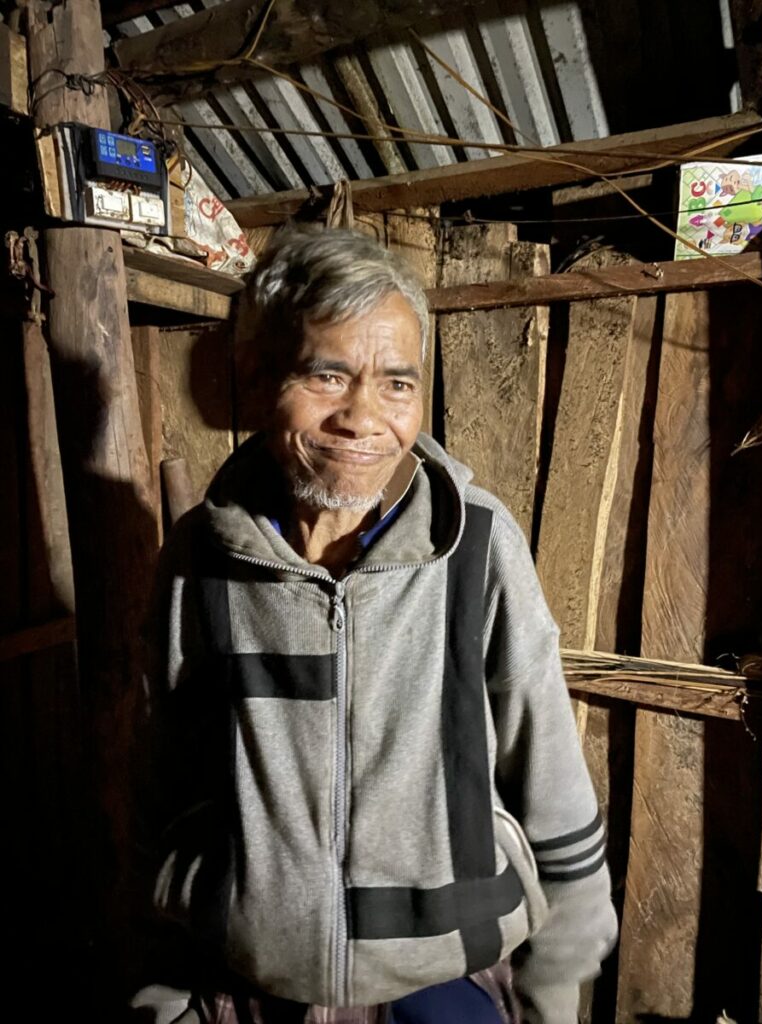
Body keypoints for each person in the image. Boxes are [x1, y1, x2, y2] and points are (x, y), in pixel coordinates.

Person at [133, 227, 617, 1024]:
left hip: (447, 977)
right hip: (251, 984)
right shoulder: (200, 557)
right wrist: (162, 990)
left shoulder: (475, 549)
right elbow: (163, 784)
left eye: (397, 383)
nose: (363, 418)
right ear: (258, 381)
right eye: (328, 374)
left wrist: (555, 990)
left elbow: (553, 785)